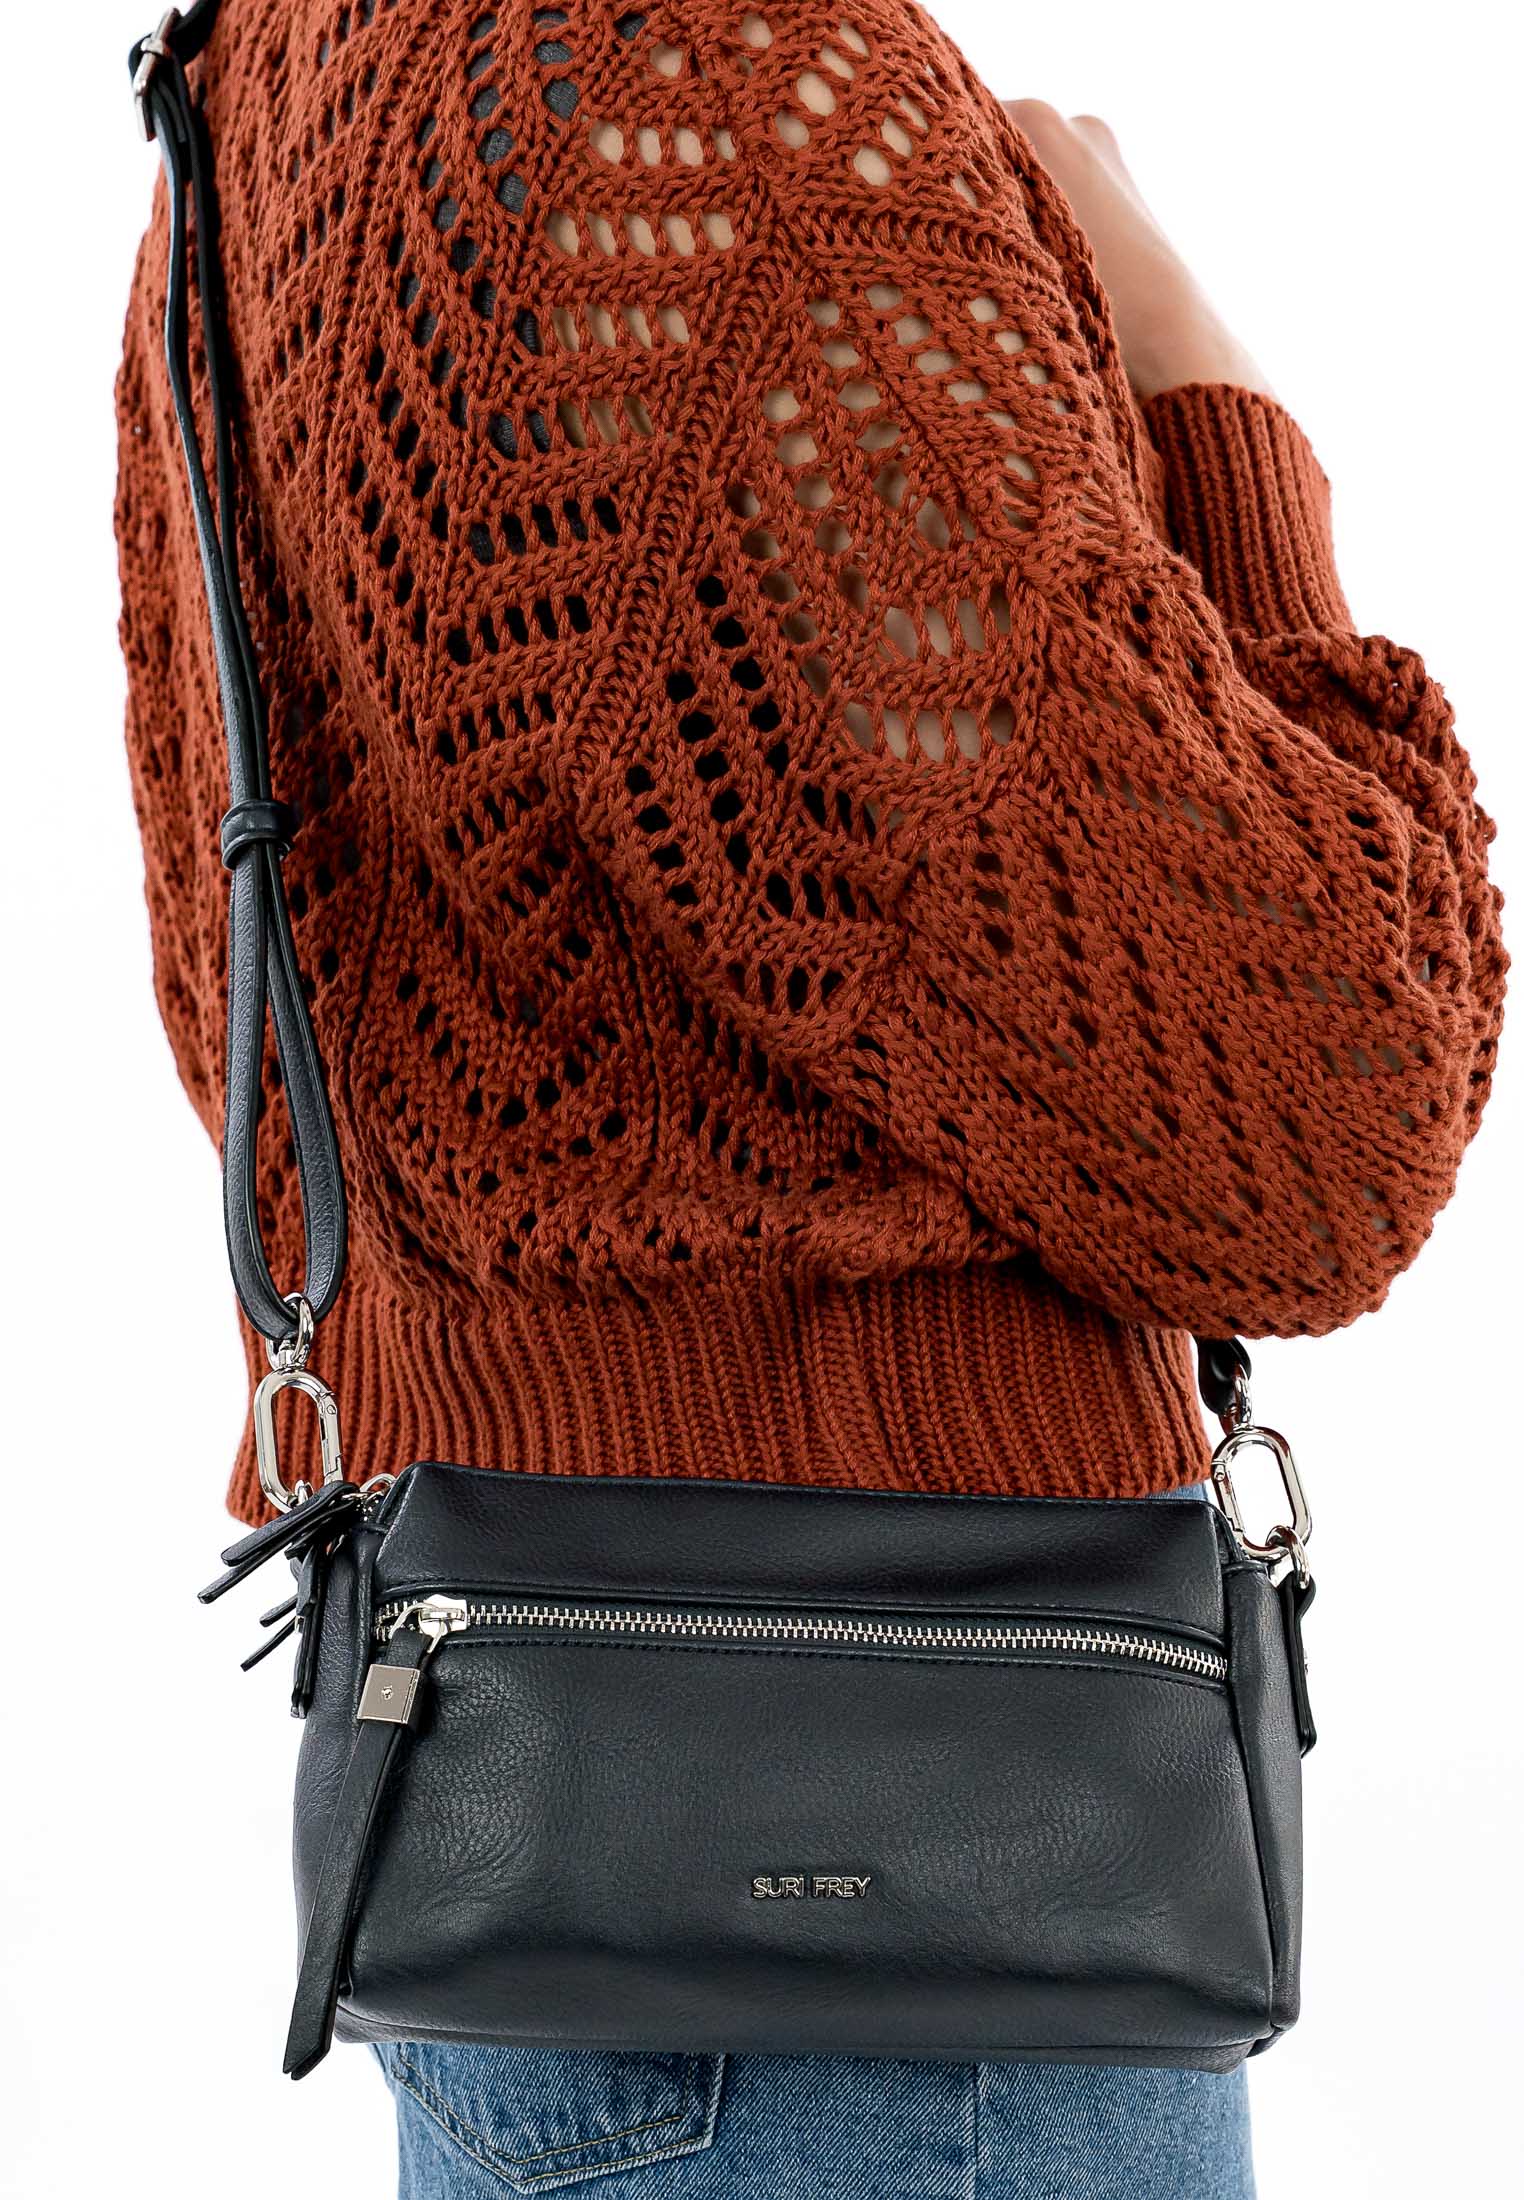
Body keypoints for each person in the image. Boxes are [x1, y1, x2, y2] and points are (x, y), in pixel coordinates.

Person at [114, 3, 1504, 2194]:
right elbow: (1321, 1113)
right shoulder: (713, 97)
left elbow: (286, 1025)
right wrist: (1203, 392)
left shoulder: (276, 67)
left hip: (530, 1845)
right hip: (909, 1977)